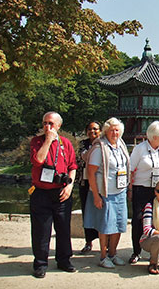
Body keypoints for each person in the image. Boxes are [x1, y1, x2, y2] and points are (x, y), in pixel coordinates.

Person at [29, 111, 77, 278]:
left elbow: (72, 167)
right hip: (41, 192)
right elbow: (38, 160)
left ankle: (64, 260)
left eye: (51, 123)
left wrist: (69, 186)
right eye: (44, 123)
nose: (47, 126)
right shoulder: (37, 141)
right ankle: (40, 263)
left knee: (63, 228)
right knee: (41, 230)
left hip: (61, 191)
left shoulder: (66, 143)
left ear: (59, 126)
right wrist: (48, 140)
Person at [84, 117, 130, 269]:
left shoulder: (121, 145)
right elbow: (91, 173)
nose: (114, 133)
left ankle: (113, 253)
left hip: (120, 191)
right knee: (105, 226)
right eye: (111, 130)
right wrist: (96, 196)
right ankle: (103, 256)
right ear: (105, 131)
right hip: (105, 192)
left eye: (117, 130)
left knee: (119, 224)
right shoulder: (100, 148)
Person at [128, 121, 159, 264]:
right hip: (141, 188)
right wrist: (129, 189)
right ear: (154, 136)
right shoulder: (140, 149)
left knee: (158, 219)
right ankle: (136, 251)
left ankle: (158, 251)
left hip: (158, 190)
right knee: (139, 219)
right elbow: (130, 169)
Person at [77, 121, 101, 254]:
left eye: (96, 129)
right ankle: (88, 241)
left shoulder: (105, 143)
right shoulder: (83, 144)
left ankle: (106, 242)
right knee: (86, 211)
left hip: (101, 183)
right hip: (85, 182)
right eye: (90, 129)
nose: (93, 132)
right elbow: (85, 157)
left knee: (102, 211)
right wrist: (95, 145)